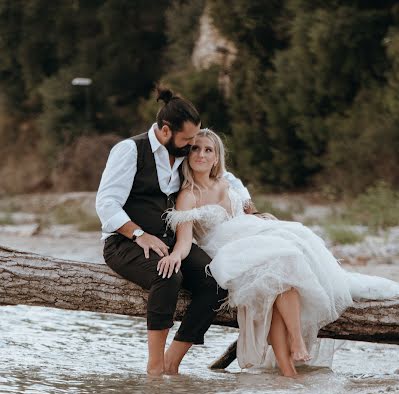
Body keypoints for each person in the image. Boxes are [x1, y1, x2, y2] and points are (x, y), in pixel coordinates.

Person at [159, 129, 399, 377]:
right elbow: (185, 240)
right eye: (196, 149)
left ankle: (290, 364)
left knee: (284, 269)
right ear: (187, 155)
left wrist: (261, 216)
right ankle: (293, 352)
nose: (201, 154)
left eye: (208, 150)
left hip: (251, 237)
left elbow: (247, 214)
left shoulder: (228, 184)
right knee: (281, 263)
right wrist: (176, 255)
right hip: (226, 250)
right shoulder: (188, 195)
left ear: (217, 158)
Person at [96, 89, 245, 375]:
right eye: (188, 140)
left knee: (213, 282)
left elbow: (227, 177)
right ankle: (154, 366)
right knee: (168, 275)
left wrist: (247, 202)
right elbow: (106, 203)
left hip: (170, 241)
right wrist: (139, 234)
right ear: (166, 130)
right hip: (123, 242)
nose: (193, 146)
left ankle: (172, 362)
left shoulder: (180, 155)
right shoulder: (129, 150)